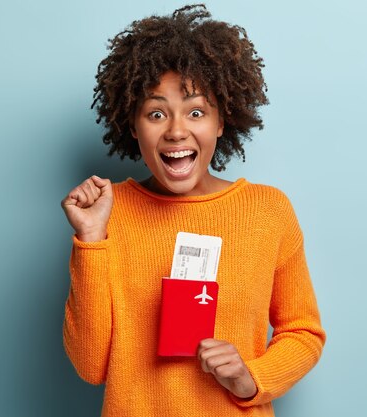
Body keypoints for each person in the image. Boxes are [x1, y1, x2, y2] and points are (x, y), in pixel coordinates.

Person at [60, 4, 325, 416]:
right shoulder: (107, 212)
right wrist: (90, 241)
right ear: (133, 126)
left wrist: (250, 377)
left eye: (196, 111)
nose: (177, 130)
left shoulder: (268, 211)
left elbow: (303, 331)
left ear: (222, 121)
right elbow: (91, 367)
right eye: (156, 113)